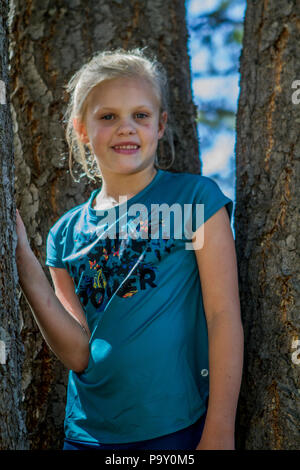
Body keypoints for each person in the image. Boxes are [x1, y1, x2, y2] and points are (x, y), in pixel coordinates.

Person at [15, 47, 244, 451]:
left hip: (177, 428)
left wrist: (220, 430)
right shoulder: (65, 234)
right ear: (82, 130)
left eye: (140, 115)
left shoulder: (194, 200)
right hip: (87, 436)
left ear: (160, 126)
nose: (126, 128)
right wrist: (23, 262)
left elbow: (223, 316)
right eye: (108, 117)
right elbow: (78, 353)